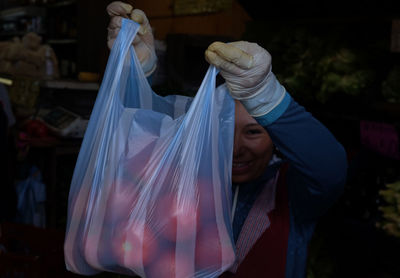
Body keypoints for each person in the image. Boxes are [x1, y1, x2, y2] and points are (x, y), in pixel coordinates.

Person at [106, 2, 348, 278]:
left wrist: (267, 97)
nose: (235, 149)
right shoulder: (184, 180)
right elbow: (135, 145)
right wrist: (134, 75)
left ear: (276, 137)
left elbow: (329, 169)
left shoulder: (290, 193)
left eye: (253, 131)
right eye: (222, 131)